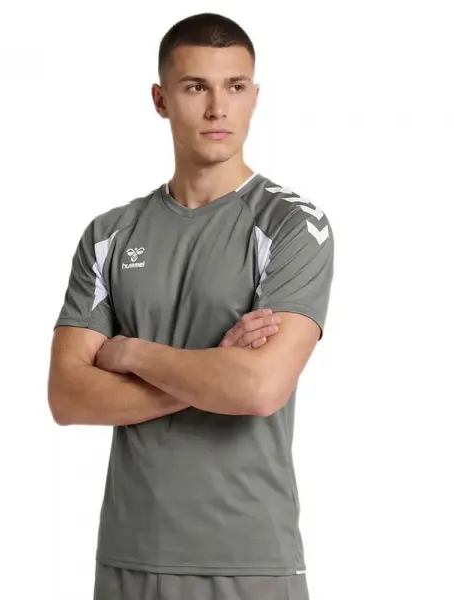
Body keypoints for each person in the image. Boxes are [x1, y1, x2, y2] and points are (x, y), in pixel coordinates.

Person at [48, 12, 334, 600]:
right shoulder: (110, 234)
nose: (217, 109)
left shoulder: (291, 225)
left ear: (255, 97)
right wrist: (212, 371)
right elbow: (67, 396)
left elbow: (259, 388)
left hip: (247, 559)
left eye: (235, 86)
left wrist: (132, 353)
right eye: (196, 87)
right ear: (161, 99)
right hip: (129, 555)